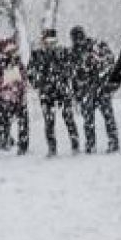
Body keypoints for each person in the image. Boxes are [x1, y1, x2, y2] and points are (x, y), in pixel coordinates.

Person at [29, 28, 80, 157]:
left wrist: (67, 80)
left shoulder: (63, 52)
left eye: (53, 41)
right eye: (47, 40)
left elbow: (72, 69)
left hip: (62, 90)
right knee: (49, 122)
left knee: (68, 118)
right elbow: (30, 73)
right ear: (43, 41)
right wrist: (38, 83)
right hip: (47, 93)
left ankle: (75, 145)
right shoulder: (36, 54)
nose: (50, 43)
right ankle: (52, 148)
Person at [70, 26, 120, 154]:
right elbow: (73, 75)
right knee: (96, 119)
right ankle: (103, 143)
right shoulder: (76, 52)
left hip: (96, 88)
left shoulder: (93, 47)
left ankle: (98, 144)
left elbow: (109, 62)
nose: (77, 41)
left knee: (95, 119)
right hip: (92, 89)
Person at [0, 37, 29, 156]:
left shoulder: (18, 63)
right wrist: (2, 82)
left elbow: (24, 78)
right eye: (10, 51)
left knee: (22, 121)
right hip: (3, 99)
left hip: (17, 98)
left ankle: (23, 146)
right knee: (3, 124)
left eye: (14, 51)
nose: (13, 54)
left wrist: (21, 88)